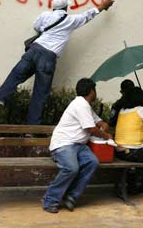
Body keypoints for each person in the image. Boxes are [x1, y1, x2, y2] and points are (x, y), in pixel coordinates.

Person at [0, 0, 115, 124]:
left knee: (15, 76)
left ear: (54, 7)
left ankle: (0, 100)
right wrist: (103, 6)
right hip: (48, 57)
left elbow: (37, 27)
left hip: (33, 50)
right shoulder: (70, 20)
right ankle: (32, 128)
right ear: (66, 7)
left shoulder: (45, 15)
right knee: (40, 92)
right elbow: (87, 15)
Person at [42, 78, 112, 213]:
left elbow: (97, 122)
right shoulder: (80, 104)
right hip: (64, 144)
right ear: (92, 91)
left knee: (92, 162)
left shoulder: (86, 106)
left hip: (79, 146)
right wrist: (106, 136)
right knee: (71, 168)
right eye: (95, 90)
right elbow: (91, 129)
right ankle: (50, 200)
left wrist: (103, 124)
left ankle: (71, 196)